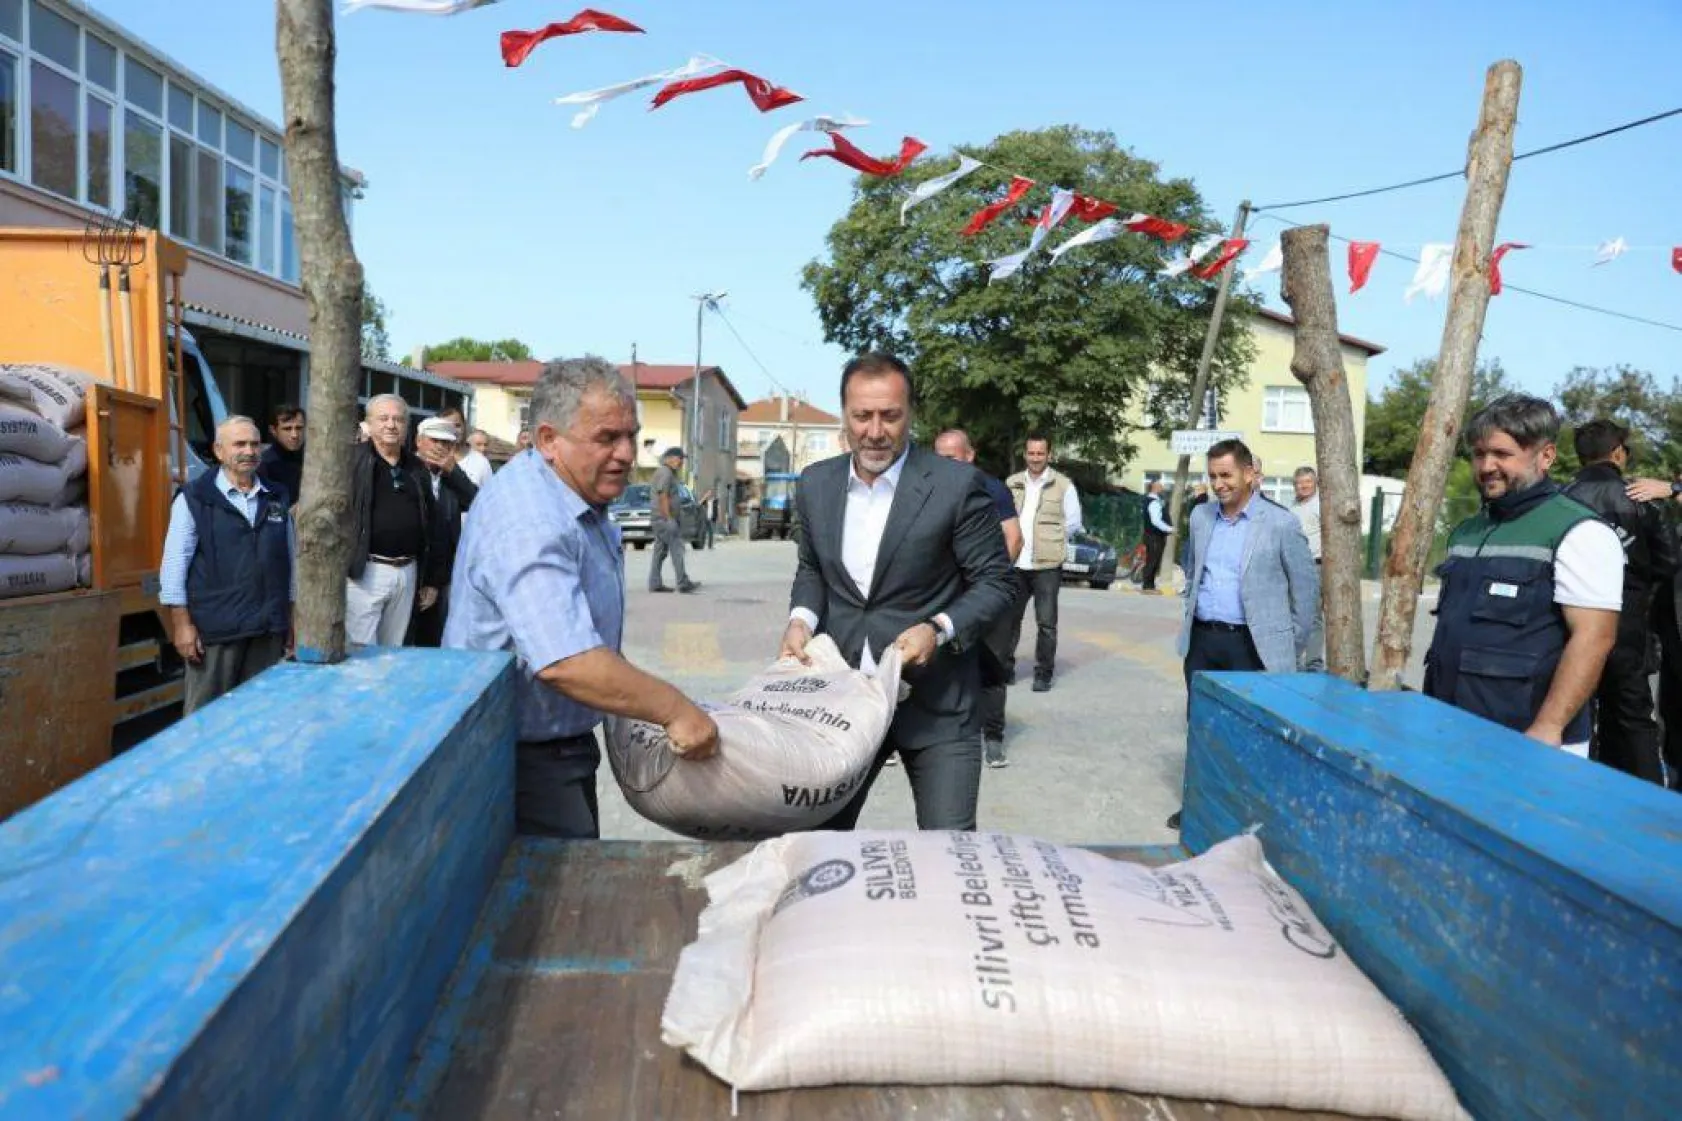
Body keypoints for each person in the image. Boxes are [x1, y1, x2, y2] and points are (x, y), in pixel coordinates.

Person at [445, 357, 718, 837]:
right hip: (519, 764)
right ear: (549, 440)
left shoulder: (571, 493)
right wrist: (676, 710)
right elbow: (566, 661)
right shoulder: (530, 520)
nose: (626, 453)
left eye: (631, 436)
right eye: (607, 438)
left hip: (550, 747)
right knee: (551, 882)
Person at [781, 353, 1016, 830]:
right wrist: (801, 620)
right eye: (861, 416)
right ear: (844, 414)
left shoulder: (956, 486)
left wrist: (939, 628)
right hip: (844, 703)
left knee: (950, 853)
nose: (875, 431)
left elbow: (996, 581)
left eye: (890, 416)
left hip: (939, 706)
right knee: (820, 844)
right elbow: (812, 568)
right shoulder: (815, 484)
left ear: (911, 413)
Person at [1423, 395, 1621, 758]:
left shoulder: (1580, 532)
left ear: (1546, 456)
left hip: (1530, 740)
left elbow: (1594, 637)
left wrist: (1549, 726)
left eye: (1502, 454)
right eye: (1479, 454)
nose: (1487, 466)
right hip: (1450, 728)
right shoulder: (1467, 533)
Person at [1170, 438, 1318, 830]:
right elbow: (1193, 570)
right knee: (1202, 726)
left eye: (1226, 475)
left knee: (1249, 731)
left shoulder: (1281, 523)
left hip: (1252, 646)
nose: (1219, 484)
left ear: (1250, 474)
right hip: (1203, 641)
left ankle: (1246, 814)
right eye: (1213, 476)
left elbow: (1305, 593)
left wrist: (1288, 645)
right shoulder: (1201, 517)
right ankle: (1200, 806)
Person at [1560, 420, 1675, 783]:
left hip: (1572, 620)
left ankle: (1578, 791)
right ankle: (1647, 802)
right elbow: (1669, 561)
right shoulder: (1641, 497)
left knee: (1574, 709)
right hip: (1628, 620)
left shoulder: (1560, 498)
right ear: (1617, 453)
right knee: (1632, 714)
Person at [159, 416, 294, 714]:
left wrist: (292, 618)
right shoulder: (195, 498)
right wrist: (182, 625)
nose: (249, 451)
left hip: (266, 629)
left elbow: (290, 561)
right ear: (218, 451)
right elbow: (174, 565)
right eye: (239, 444)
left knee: (261, 715)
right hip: (216, 631)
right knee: (206, 719)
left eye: (255, 444)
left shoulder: (276, 496)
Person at [934, 427, 1023, 768]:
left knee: (993, 667)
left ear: (970, 456)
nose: (945, 464)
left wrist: (990, 585)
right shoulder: (929, 489)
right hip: (946, 597)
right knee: (934, 663)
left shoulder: (992, 489)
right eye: (939, 458)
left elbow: (1014, 539)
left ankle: (994, 738)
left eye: (952, 457)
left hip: (988, 597)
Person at [346, 394, 443, 646]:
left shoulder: (417, 468)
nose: (391, 425)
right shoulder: (352, 462)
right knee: (361, 653)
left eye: (398, 419)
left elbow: (434, 524)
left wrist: (432, 580)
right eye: (383, 418)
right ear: (369, 424)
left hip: (407, 572)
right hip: (365, 572)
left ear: (407, 427)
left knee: (394, 652)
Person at [1006, 435, 1084, 692]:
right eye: (1031, 453)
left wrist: (1052, 541)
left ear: (1049, 455)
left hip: (1047, 566)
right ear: (1025, 454)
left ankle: (1043, 674)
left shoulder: (1063, 485)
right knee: (1008, 621)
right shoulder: (1012, 483)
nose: (1035, 458)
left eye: (1040, 453)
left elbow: (1073, 522)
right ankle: (1004, 669)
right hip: (1016, 563)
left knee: (1047, 624)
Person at [408, 416, 480, 648]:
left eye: (446, 443)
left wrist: (454, 471)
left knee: (434, 640)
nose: (439, 447)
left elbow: (479, 503)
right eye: (434, 440)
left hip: (443, 575)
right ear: (419, 441)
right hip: (413, 573)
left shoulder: (450, 478)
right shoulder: (408, 471)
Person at [649, 447, 700, 594]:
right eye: (679, 459)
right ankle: (682, 582)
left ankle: (655, 583)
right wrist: (668, 518)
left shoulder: (667, 473)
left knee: (660, 551)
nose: (681, 462)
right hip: (664, 519)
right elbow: (663, 495)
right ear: (670, 458)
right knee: (677, 548)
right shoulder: (665, 473)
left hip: (660, 519)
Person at [1291, 466, 1327, 672]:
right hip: (1295, 565)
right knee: (1295, 614)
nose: (1303, 486)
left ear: (1315, 483)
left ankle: (1314, 663)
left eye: (1307, 482)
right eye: (1299, 482)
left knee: (1313, 616)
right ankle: (1294, 660)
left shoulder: (1321, 505)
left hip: (1315, 565)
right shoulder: (1294, 506)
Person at [437, 407, 493, 491]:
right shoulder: (430, 459)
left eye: (457, 425)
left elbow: (488, 496)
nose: (454, 430)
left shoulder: (481, 463)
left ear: (465, 426)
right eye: (447, 426)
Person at [259, 403, 305, 504]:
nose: (294, 435)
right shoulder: (264, 465)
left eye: (299, 428)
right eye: (287, 429)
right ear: (273, 430)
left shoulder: (315, 460)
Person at [1141, 479, 1172, 593]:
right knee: (1153, 560)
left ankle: (1150, 584)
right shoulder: (1153, 502)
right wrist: (1170, 529)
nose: (1162, 487)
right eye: (1160, 485)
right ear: (1154, 487)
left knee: (1154, 560)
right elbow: (1156, 521)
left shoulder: (1152, 500)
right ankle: (1147, 585)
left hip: (1152, 535)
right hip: (1154, 535)